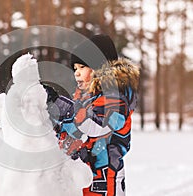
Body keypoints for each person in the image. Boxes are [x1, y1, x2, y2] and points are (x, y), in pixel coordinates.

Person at [46, 35, 140, 196]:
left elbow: (95, 125)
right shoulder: (87, 99)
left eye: (82, 67)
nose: (76, 73)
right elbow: (75, 127)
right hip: (84, 175)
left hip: (106, 178)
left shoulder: (115, 97)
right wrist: (51, 107)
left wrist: (61, 106)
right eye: (75, 68)